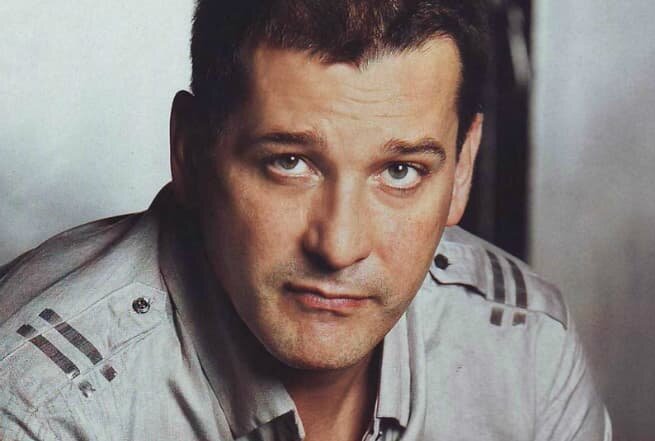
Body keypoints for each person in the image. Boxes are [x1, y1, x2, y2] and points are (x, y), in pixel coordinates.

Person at [0, 1, 611, 440]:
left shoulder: (526, 346)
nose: (339, 246)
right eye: (289, 162)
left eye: (401, 171)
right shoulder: (38, 410)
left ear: (462, 168)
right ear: (189, 151)